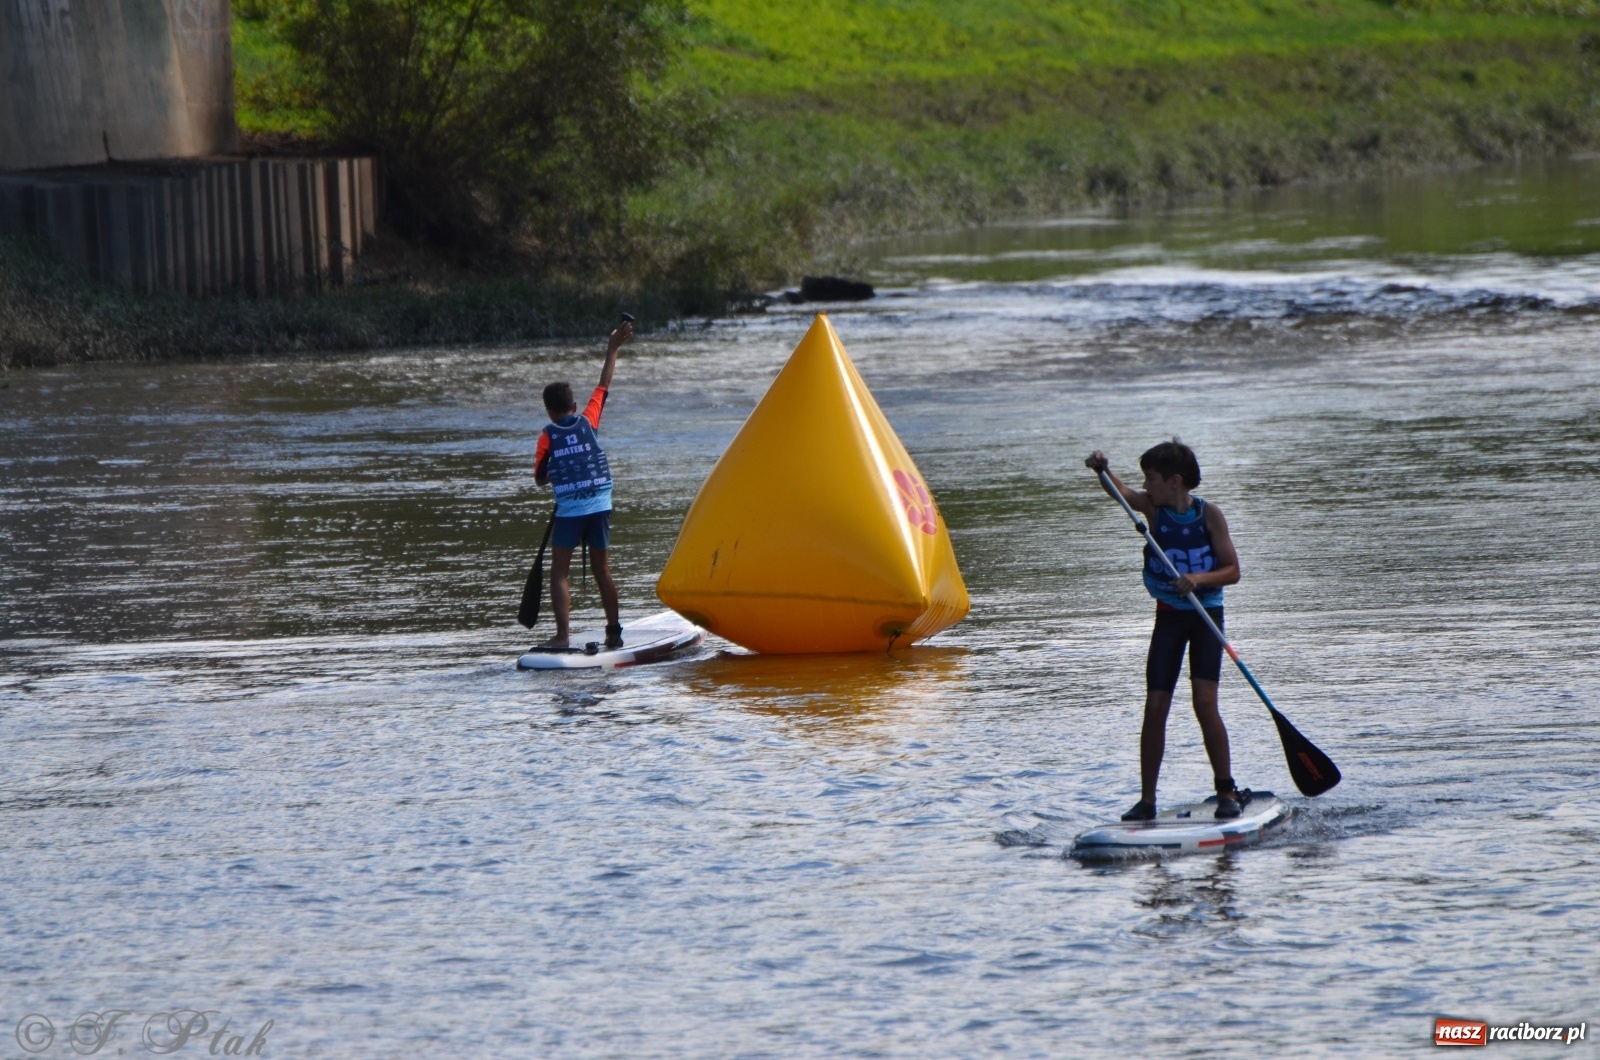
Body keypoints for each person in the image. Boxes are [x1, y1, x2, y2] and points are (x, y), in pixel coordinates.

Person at [1085, 440, 1245, 821]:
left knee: (1204, 703)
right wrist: (1101, 470)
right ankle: (1147, 801)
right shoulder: (1153, 509)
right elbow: (1120, 493)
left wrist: (1198, 578)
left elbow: (1233, 571)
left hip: (1206, 616)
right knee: (1156, 705)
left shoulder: (1210, 515)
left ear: (1175, 482)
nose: (1146, 486)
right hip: (1169, 616)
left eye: (1151, 479)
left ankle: (1226, 790)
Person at [534, 319, 632, 649]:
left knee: (559, 573)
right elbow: (604, 384)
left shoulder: (546, 436)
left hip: (570, 511)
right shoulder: (589, 419)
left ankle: (562, 637)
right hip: (601, 505)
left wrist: (558, 471)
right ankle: (614, 633)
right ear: (573, 407)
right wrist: (612, 347)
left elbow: (539, 479)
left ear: (549, 412)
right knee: (602, 570)